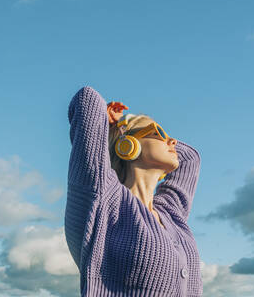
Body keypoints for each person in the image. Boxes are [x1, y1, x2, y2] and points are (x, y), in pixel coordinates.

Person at [65, 86, 203, 296]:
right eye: (159, 133)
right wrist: (112, 124)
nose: (172, 141)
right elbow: (87, 100)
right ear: (129, 144)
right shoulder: (104, 200)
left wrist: (156, 138)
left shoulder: (171, 213)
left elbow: (189, 159)